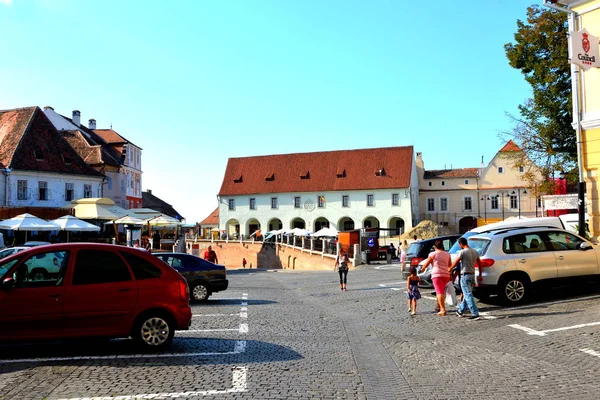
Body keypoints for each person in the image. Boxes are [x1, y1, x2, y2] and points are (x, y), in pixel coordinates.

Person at [450, 237, 482, 320]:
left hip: (465, 275)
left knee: (467, 295)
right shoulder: (475, 251)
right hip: (472, 275)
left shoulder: (462, 252)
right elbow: (479, 263)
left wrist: (450, 268)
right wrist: (480, 274)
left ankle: (475, 313)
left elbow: (456, 261)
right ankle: (460, 311)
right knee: (467, 294)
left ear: (461, 243)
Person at [420, 240, 452, 316]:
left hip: (437, 275)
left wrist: (423, 268)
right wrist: (450, 275)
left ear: (435, 247)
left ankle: (443, 310)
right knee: (441, 291)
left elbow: (426, 264)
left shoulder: (433, 254)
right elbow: (450, 265)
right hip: (446, 275)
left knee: (439, 292)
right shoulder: (447, 254)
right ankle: (438, 306)